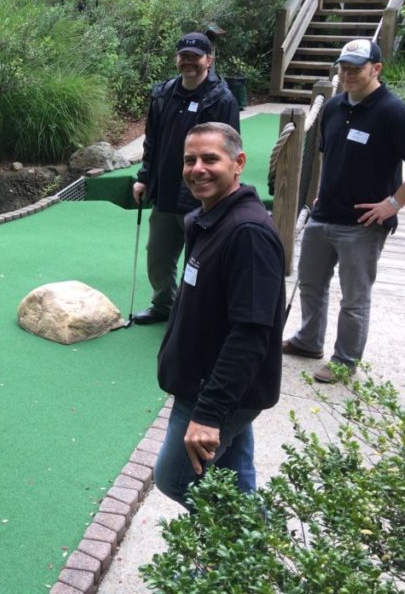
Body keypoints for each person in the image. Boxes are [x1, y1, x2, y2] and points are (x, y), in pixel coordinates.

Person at [283, 39, 405, 383]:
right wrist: (322, 191)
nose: (349, 74)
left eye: (356, 68)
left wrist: (393, 203)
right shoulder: (335, 106)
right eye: (344, 67)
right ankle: (309, 341)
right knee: (310, 285)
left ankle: (344, 359)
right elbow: (327, 153)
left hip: (363, 224)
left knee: (354, 298)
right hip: (325, 216)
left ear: (376, 68)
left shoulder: (392, 111)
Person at [154, 122, 285, 508]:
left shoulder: (247, 233)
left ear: (238, 163)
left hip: (216, 392)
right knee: (233, 481)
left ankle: (239, 550)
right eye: (189, 160)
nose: (198, 168)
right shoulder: (205, 219)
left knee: (176, 479)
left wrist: (209, 414)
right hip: (205, 383)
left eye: (210, 158)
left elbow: (251, 333)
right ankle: (245, 556)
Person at [131, 32, 240, 324]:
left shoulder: (221, 98)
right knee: (158, 257)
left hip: (201, 196)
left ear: (209, 60)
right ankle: (163, 305)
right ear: (177, 59)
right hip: (165, 191)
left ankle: (196, 315)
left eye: (195, 57)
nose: (188, 62)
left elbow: (230, 149)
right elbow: (151, 140)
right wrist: (143, 178)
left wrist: (224, 192)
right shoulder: (163, 93)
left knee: (201, 261)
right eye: (184, 56)